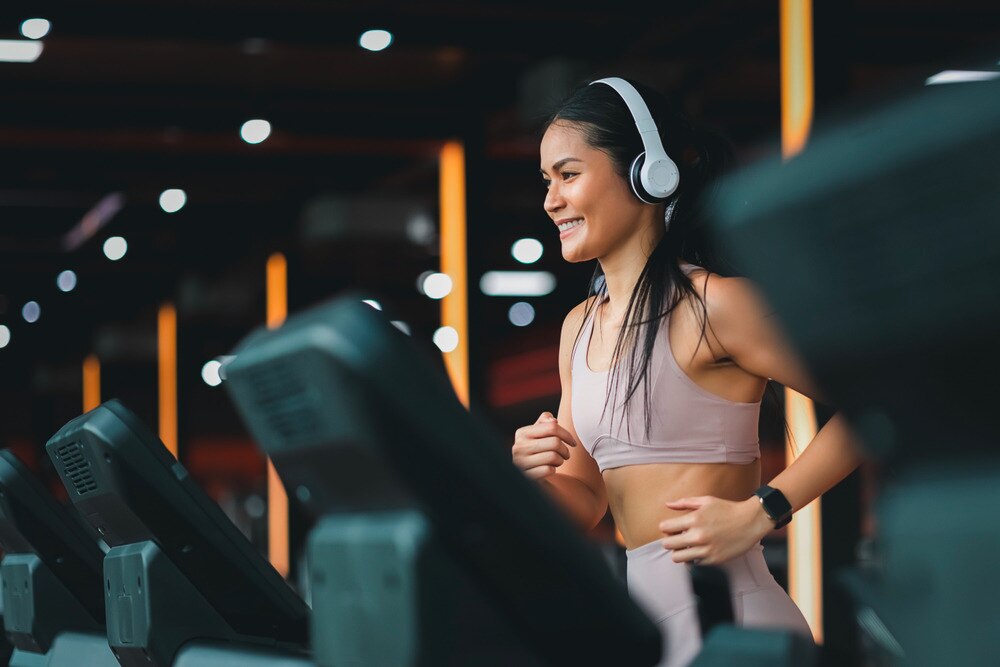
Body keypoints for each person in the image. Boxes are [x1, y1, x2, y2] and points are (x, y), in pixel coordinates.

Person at [511, 77, 864, 666]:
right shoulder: (579, 328)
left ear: (646, 174)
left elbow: (872, 402)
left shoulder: (716, 305)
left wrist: (762, 511)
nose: (551, 200)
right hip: (650, 630)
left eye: (568, 175)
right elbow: (586, 499)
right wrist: (533, 475)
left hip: (732, 619)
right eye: (546, 180)